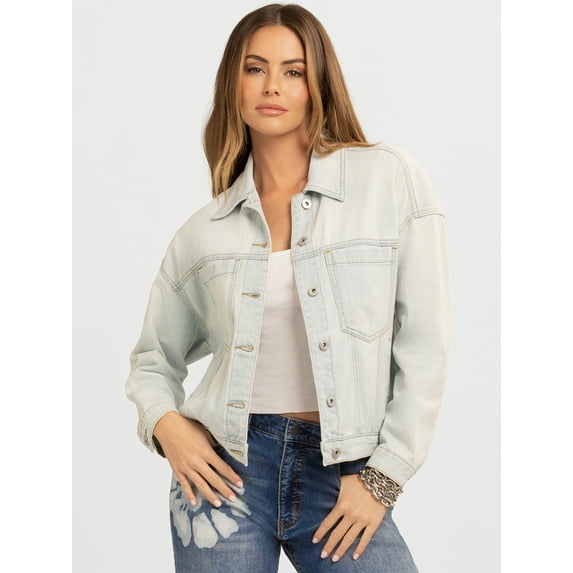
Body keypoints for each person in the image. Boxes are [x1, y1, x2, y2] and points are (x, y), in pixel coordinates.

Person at [125, 3, 451, 572]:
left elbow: (425, 343)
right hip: (223, 475)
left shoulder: (387, 180)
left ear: (317, 82)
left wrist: (383, 478)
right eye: (255, 68)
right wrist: (167, 427)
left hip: (344, 472)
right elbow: (152, 361)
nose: (272, 85)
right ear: (233, 84)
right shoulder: (204, 232)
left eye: (293, 71)